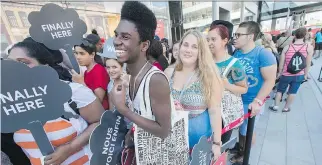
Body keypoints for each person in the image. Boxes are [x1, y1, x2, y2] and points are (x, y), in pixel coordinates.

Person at [8, 39, 104, 165]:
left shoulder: (73, 92)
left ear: (44, 66)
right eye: (9, 64)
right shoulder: (8, 103)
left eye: (23, 62)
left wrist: (70, 148)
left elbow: (101, 123)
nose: (14, 69)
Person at [112, 0, 172, 146]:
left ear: (144, 45)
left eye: (125, 37)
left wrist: (124, 110)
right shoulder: (127, 72)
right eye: (116, 35)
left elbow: (164, 131)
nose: (116, 41)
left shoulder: (155, 80)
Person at [165, 30, 223, 159]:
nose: (188, 50)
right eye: (185, 45)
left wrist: (216, 143)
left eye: (194, 47)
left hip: (198, 142)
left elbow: (215, 110)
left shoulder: (209, 76)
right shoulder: (169, 73)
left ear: (201, 52)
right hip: (173, 139)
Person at [230, 21, 277, 163]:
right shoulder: (236, 53)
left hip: (251, 102)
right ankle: (240, 148)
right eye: (235, 34)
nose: (235, 38)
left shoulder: (263, 54)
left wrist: (257, 101)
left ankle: (245, 156)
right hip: (237, 100)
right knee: (240, 129)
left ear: (250, 36)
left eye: (238, 34)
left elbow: (270, 81)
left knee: (247, 131)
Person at [207, 24, 248, 144]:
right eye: (208, 39)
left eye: (213, 39)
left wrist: (227, 85)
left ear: (225, 40)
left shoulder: (234, 64)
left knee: (219, 148)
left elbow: (244, 88)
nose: (209, 43)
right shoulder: (206, 61)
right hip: (206, 113)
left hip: (224, 116)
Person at [270, 27, 313, 112]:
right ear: (305, 36)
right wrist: (305, 74)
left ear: (295, 35)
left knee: (280, 90)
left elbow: (281, 62)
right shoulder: (308, 47)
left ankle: (275, 106)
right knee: (292, 92)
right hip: (299, 74)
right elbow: (308, 63)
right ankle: (286, 108)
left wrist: (280, 72)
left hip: (286, 74)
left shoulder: (287, 47)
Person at [73, 38, 110, 110]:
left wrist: (81, 83)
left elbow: (98, 100)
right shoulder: (87, 72)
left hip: (100, 113)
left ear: (92, 54)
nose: (78, 57)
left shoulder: (98, 71)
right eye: (76, 53)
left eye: (82, 53)